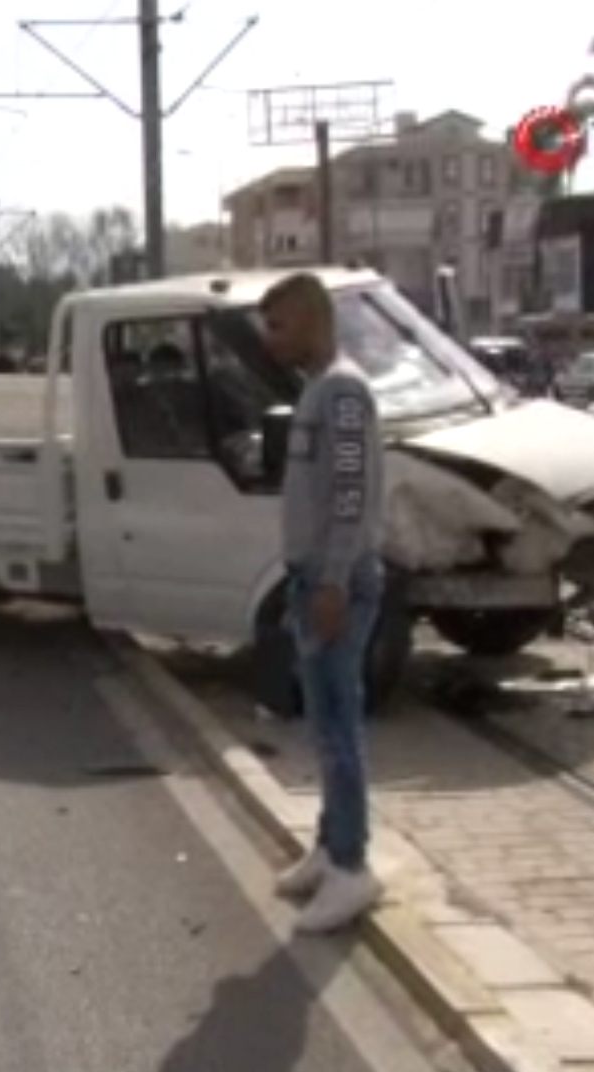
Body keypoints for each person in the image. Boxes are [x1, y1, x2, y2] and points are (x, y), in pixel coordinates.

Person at [260, 271, 386, 934]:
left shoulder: (340, 392)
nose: (270, 342)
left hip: (337, 582)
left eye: (278, 327)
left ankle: (351, 867)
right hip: (316, 578)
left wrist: (334, 580)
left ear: (310, 320)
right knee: (323, 722)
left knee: (338, 729)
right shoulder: (319, 388)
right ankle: (329, 847)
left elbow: (349, 494)